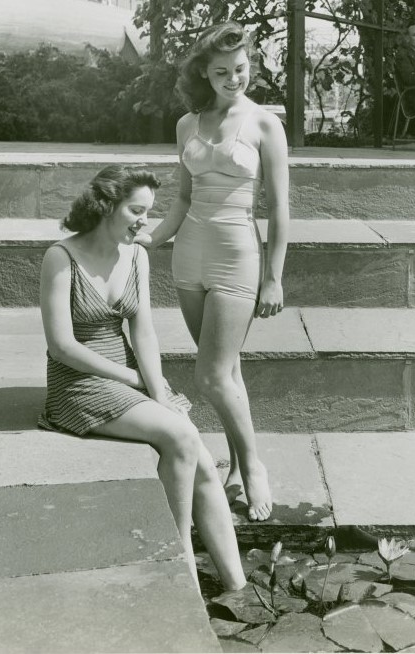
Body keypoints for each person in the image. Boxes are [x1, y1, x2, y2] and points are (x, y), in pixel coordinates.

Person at [38, 165, 247, 593]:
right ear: (106, 205)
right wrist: (134, 378)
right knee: (185, 440)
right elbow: (62, 346)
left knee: (204, 462)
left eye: (148, 212)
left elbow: (145, 332)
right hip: (78, 385)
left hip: (129, 376)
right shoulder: (60, 257)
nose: (144, 222)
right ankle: (180, 565)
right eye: (136, 210)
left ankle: (237, 585)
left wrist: (157, 390)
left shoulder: (136, 255)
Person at [135, 21, 289, 522]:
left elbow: (279, 210)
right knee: (228, 372)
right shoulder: (188, 124)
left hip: (237, 253)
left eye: (241, 68)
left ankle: (253, 466)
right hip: (190, 256)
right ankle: (240, 468)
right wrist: (151, 239)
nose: (233, 78)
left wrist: (273, 276)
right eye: (221, 71)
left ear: (251, 66)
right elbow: (181, 198)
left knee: (211, 375)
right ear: (204, 71)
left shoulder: (265, 124)